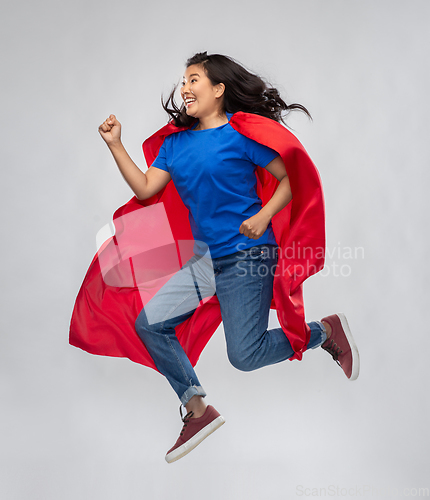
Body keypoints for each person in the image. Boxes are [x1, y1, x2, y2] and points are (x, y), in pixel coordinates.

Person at [93, 52, 359, 463]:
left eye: (194, 79)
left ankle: (324, 331)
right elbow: (147, 188)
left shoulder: (240, 136)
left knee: (245, 355)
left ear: (218, 90)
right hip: (205, 262)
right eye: (182, 81)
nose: (184, 88)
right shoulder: (176, 145)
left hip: (248, 255)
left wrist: (264, 215)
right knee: (150, 323)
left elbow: (290, 180)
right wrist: (116, 145)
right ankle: (197, 409)